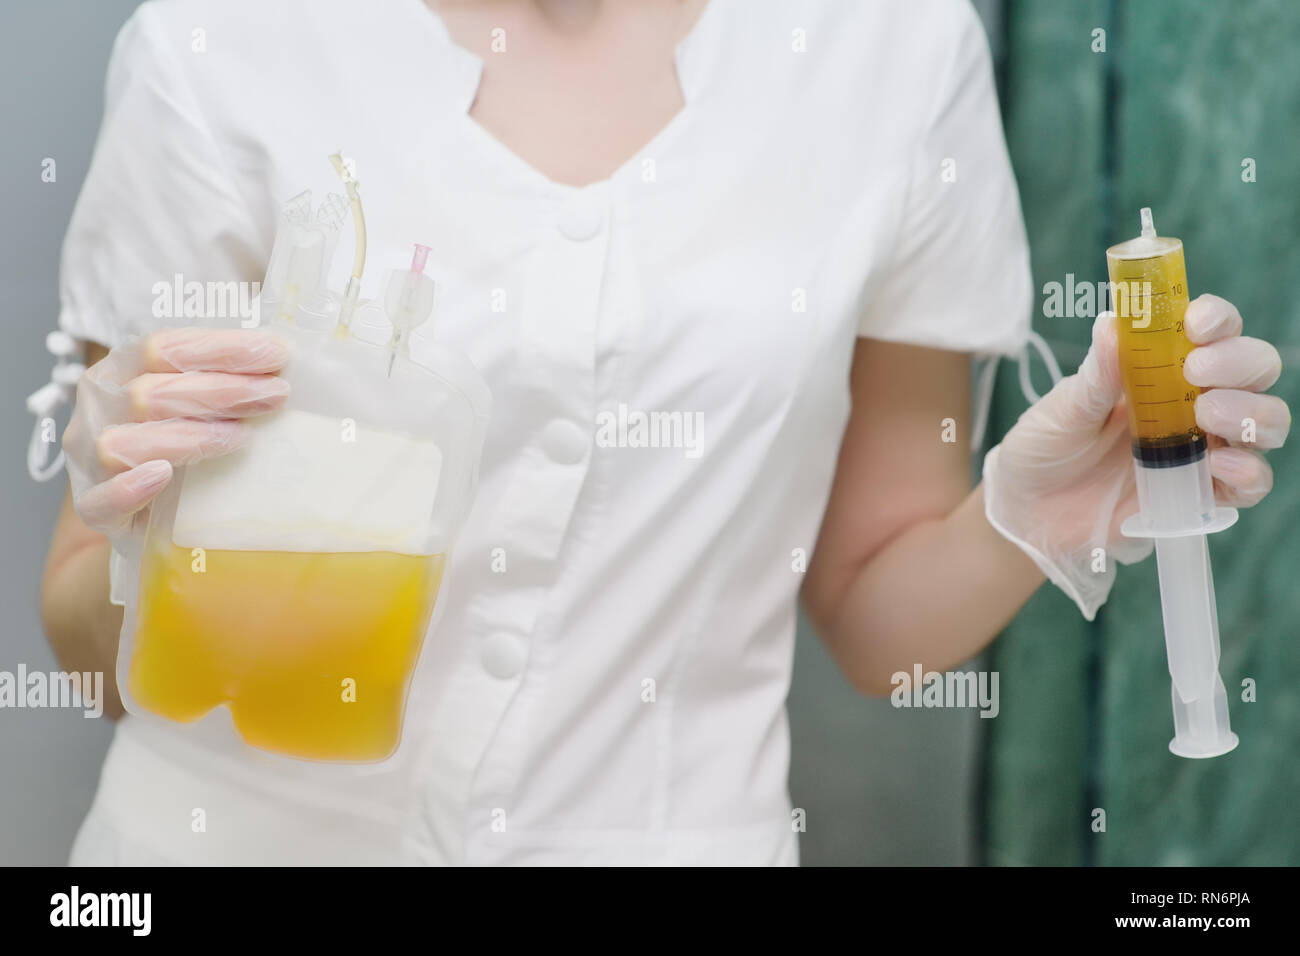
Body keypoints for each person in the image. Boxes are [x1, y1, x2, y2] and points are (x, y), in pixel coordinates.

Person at [42, 0, 1288, 865]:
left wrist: (1033, 516)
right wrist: (165, 559)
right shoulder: (219, 47)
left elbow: (876, 625)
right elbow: (90, 649)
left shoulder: (888, 54)